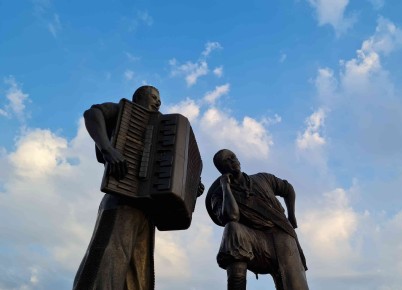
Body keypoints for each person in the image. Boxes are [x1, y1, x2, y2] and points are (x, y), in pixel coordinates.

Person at [73, 86, 203, 290]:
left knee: (139, 275)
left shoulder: (161, 127)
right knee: (107, 260)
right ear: (139, 97)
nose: (158, 102)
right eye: (153, 97)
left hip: (147, 211)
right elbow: (92, 113)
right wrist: (107, 149)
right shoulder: (124, 111)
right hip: (121, 199)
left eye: (159, 99)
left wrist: (191, 187)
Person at [205, 149, 309, 290]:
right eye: (226, 161)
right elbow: (231, 216)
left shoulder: (263, 178)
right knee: (233, 229)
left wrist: (292, 216)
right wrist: (225, 187)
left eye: (233, 157)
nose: (232, 161)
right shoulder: (218, 196)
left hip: (282, 236)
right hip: (255, 241)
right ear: (222, 169)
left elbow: (288, 189)